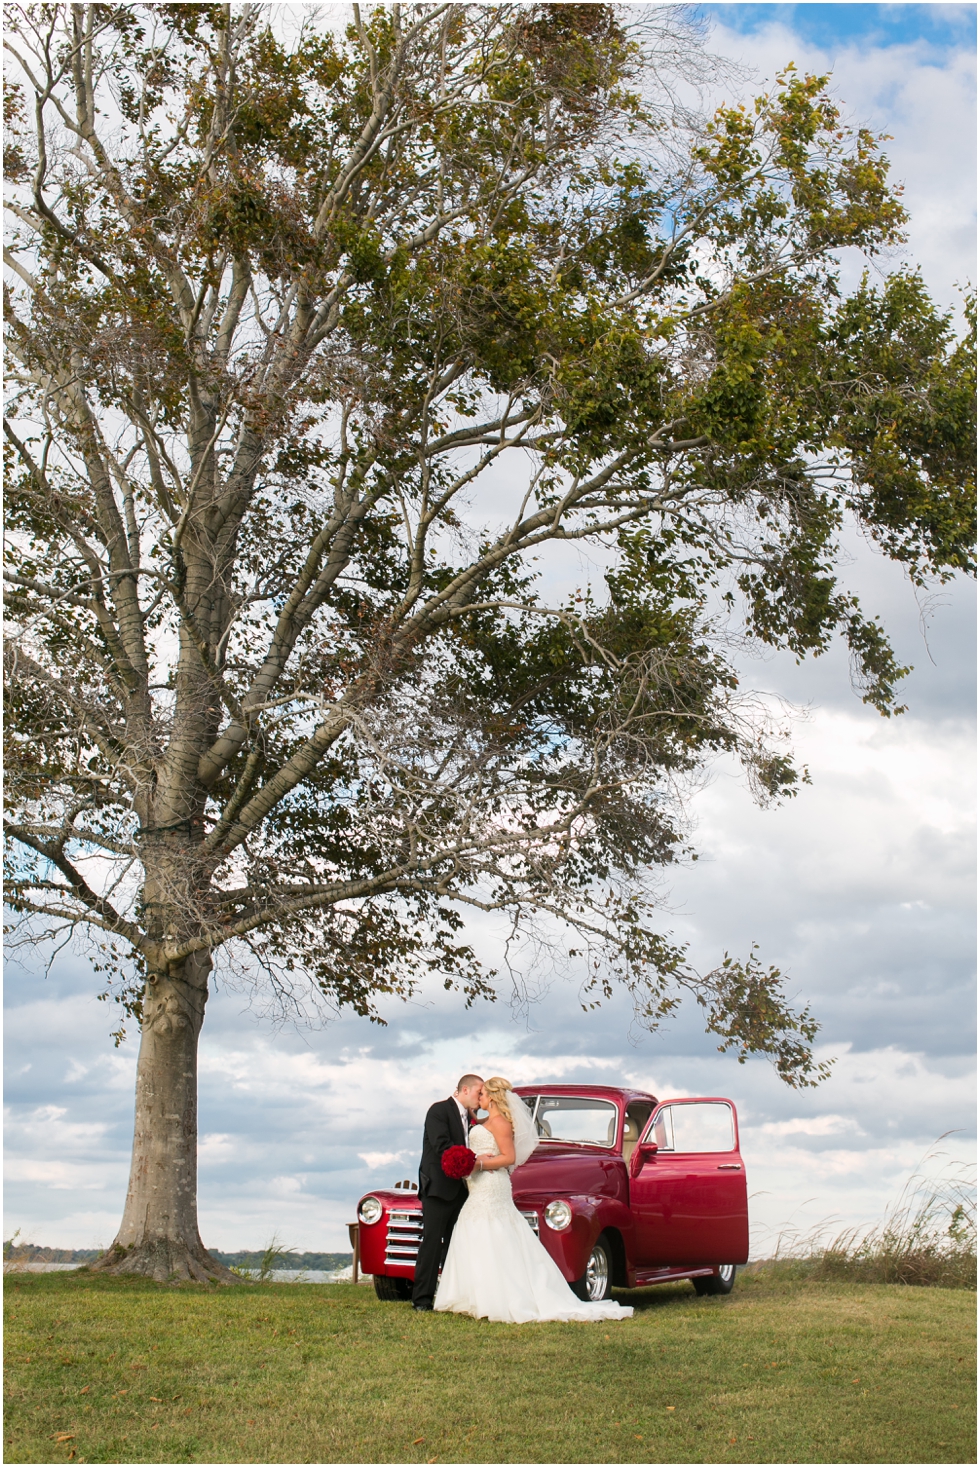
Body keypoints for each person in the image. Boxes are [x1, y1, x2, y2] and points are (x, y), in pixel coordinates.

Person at [433, 1076, 633, 1323]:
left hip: (492, 1185)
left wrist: (478, 1163)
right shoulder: (480, 1121)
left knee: (495, 1235)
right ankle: (471, 1295)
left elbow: (508, 1157)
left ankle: (501, 1297)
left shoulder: (501, 1123)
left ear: (493, 1097)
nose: (479, 1097)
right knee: (475, 1233)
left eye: (483, 1094)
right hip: (477, 1187)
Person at [411, 1073, 484, 1311]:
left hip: (463, 1191)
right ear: (464, 1090)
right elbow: (441, 1145)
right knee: (432, 1243)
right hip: (439, 1189)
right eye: (478, 1092)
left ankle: (452, 1297)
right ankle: (422, 1300)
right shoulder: (439, 1111)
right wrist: (474, 1160)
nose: (480, 1097)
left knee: (457, 1244)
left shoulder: (472, 1119)